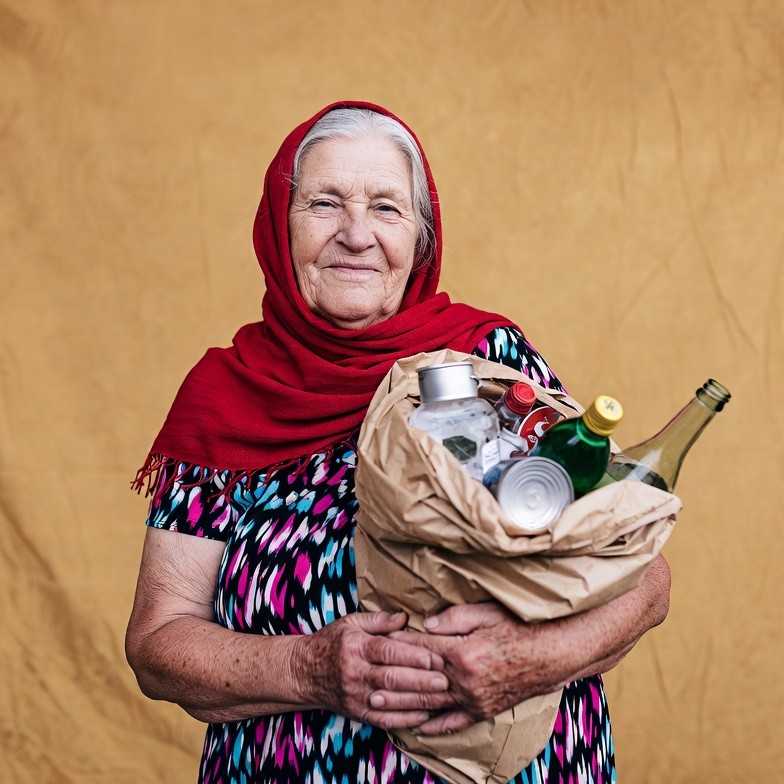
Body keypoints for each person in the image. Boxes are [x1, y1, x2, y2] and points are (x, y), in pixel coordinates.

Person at [125, 100, 671, 784]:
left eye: (386, 208)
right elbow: (158, 642)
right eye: (325, 203)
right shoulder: (223, 399)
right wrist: (308, 669)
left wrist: (530, 661)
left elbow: (644, 577)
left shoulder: (485, 364)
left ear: (421, 239)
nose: (357, 235)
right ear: (278, 226)